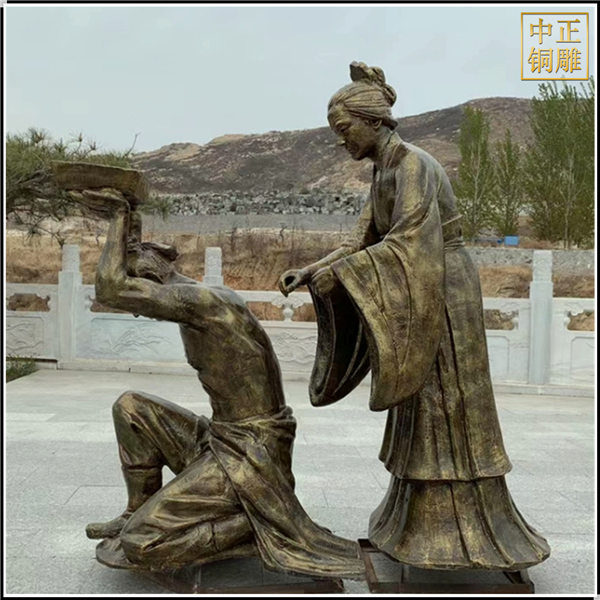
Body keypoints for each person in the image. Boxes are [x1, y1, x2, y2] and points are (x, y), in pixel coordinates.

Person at [279, 62, 550, 571]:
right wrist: (313, 269)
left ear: (374, 121)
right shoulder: (382, 170)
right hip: (419, 285)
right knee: (421, 402)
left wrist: (343, 274)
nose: (341, 140)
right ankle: (411, 520)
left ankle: (469, 531)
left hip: (441, 290)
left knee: (450, 400)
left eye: (344, 128)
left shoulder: (413, 166)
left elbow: (407, 241)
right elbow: (360, 242)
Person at [75, 188, 364, 580]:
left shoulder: (204, 305)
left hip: (252, 453)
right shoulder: (198, 296)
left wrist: (116, 216)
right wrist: (129, 218)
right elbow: (128, 268)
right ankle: (134, 509)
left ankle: (255, 521)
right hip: (220, 436)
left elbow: (110, 288)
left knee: (140, 543)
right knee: (131, 407)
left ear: (153, 277)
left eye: (141, 301)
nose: (140, 312)